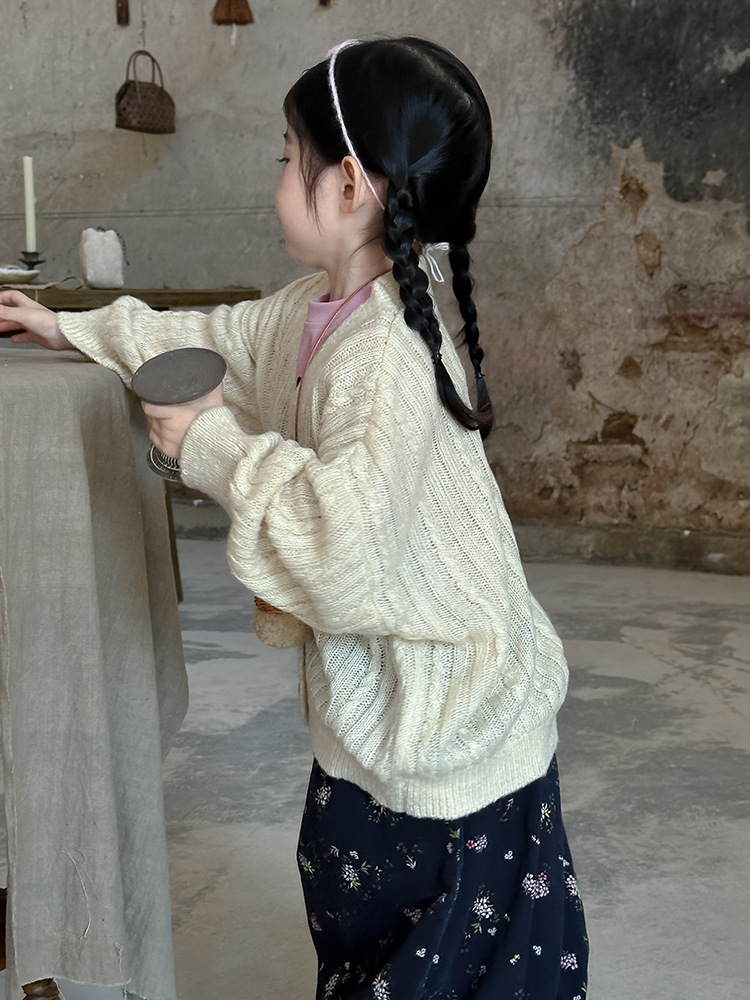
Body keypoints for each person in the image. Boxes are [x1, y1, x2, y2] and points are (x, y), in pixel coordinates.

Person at [0, 36, 588, 1000]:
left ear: (349, 184)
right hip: (380, 727)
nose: (277, 176)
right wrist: (70, 325)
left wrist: (212, 443)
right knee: (366, 936)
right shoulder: (320, 309)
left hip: (455, 744)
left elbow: (342, 549)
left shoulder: (384, 356)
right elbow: (215, 336)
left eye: (287, 157)